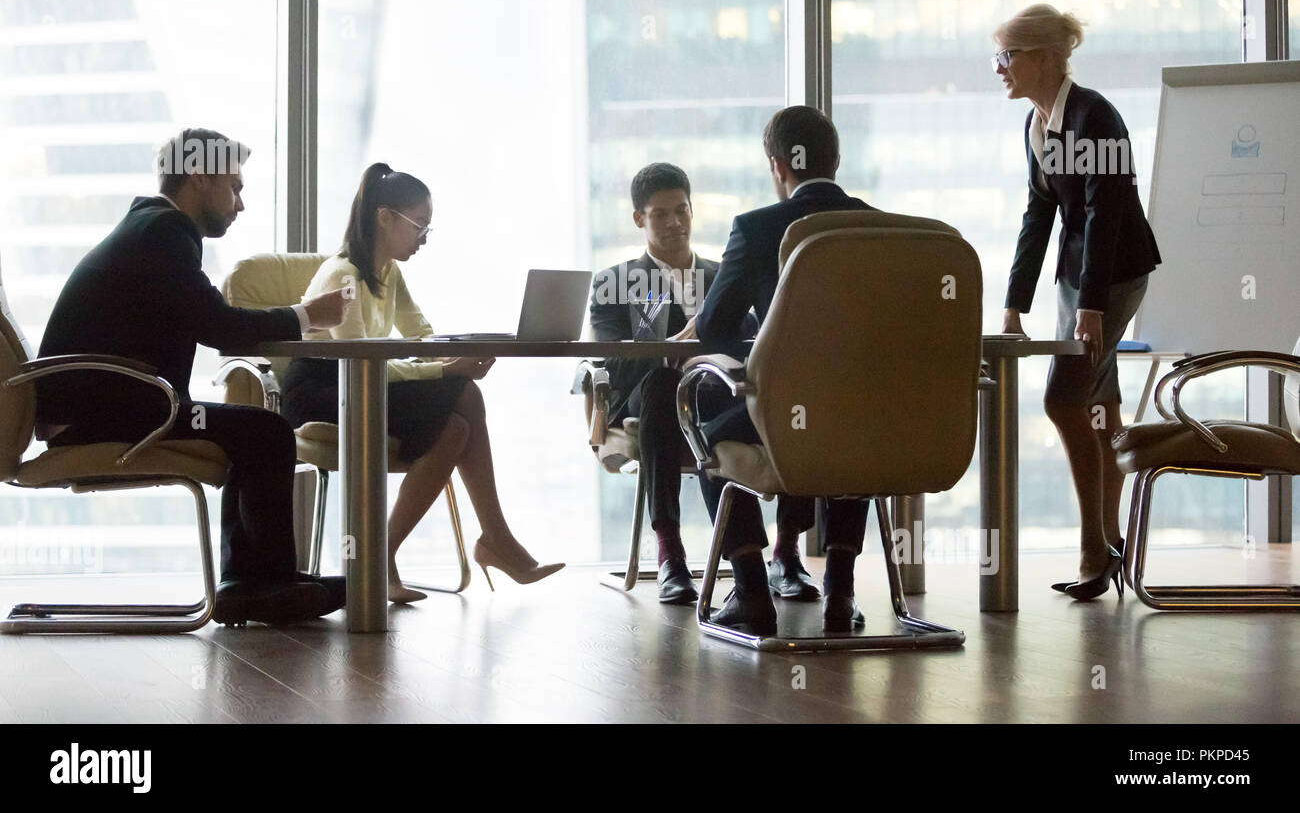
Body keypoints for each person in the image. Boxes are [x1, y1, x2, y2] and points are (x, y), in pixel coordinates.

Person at [36, 128, 350, 626]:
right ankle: (264, 585)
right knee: (265, 430)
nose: (240, 204)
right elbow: (219, 326)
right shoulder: (164, 232)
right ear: (200, 177)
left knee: (251, 428)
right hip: (111, 413)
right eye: (235, 186)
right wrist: (307, 314)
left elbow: (211, 320)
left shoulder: (150, 227)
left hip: (109, 405)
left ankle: (254, 581)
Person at [282, 162, 562, 603]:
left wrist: (463, 348)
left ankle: (417, 549)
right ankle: (491, 541)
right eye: (419, 225)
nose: (424, 237)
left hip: (365, 383)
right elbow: (362, 363)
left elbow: (420, 337)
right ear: (384, 217)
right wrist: (446, 370)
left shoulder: (389, 272)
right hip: (324, 389)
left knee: (459, 421)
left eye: (429, 228)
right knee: (463, 393)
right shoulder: (345, 276)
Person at [993, 4, 1161, 601]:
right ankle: (1110, 540)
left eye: (1008, 56)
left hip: (1114, 275)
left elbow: (1105, 214)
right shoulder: (1038, 125)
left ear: (1043, 57)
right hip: (1078, 276)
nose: (999, 68)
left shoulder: (1096, 117)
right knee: (1098, 404)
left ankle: (1095, 545)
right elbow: (1039, 215)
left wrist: (1090, 306)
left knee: (1064, 400)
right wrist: (1015, 303)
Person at [589, 163, 814, 606]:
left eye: (682, 211)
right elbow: (610, 363)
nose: (674, 223)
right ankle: (670, 552)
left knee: (796, 391)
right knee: (663, 382)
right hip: (652, 400)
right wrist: (672, 345)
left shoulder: (725, 272)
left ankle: (786, 553)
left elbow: (758, 335)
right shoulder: (615, 283)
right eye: (660, 215)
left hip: (719, 393)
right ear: (639, 219)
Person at [691, 105, 877, 634]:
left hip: (784, 415)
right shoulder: (881, 227)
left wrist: (766, 336)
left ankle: (751, 586)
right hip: (874, 423)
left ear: (777, 166)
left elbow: (712, 330)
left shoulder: (755, 229)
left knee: (705, 405)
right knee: (852, 418)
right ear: (836, 160)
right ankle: (840, 591)